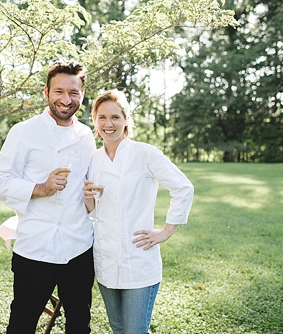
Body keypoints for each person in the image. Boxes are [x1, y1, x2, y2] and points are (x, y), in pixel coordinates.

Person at [0, 60, 96, 334]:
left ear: (82, 95)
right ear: (46, 92)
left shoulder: (86, 136)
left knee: (79, 325)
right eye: (59, 91)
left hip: (79, 247)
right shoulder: (23, 131)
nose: (66, 99)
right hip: (35, 248)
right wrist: (42, 188)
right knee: (22, 324)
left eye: (73, 93)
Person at [83, 89, 194, 334]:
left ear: (126, 120)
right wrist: (88, 198)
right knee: (119, 327)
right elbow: (92, 210)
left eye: (115, 117)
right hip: (106, 259)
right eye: (102, 117)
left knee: (134, 330)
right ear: (95, 121)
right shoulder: (92, 159)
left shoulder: (144, 154)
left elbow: (183, 188)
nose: (108, 124)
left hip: (137, 258)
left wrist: (166, 231)